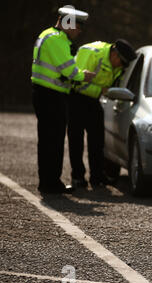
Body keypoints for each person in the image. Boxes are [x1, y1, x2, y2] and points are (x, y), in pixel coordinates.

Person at [31, 6, 96, 194]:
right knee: (54, 140)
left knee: (48, 140)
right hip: (51, 96)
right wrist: (83, 76)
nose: (79, 31)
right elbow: (68, 70)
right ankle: (51, 183)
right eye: (77, 26)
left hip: (45, 94)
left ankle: (49, 181)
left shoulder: (48, 35)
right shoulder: (57, 40)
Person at [68, 39, 137, 188]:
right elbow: (76, 82)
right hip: (76, 98)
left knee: (97, 139)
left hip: (94, 99)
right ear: (114, 53)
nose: (120, 66)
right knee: (76, 139)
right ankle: (77, 177)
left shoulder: (118, 64)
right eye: (121, 62)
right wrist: (102, 91)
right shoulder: (91, 53)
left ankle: (97, 177)